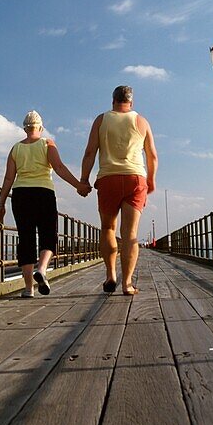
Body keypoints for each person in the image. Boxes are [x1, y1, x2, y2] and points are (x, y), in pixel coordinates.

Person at [0, 111, 90, 297]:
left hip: (21, 195)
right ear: (40, 127)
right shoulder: (47, 143)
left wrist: (1, 204)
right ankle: (43, 269)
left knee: (26, 239)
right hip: (44, 193)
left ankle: (28, 288)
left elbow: (8, 178)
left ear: (25, 128)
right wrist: (78, 186)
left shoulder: (15, 148)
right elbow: (59, 167)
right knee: (48, 234)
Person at [80, 85, 158, 296]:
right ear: (131, 103)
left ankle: (110, 275)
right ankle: (127, 284)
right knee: (130, 234)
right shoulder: (141, 121)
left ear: (113, 101)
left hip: (108, 178)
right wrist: (151, 179)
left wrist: (84, 180)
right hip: (135, 178)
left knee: (107, 229)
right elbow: (152, 156)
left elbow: (90, 152)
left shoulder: (101, 120)